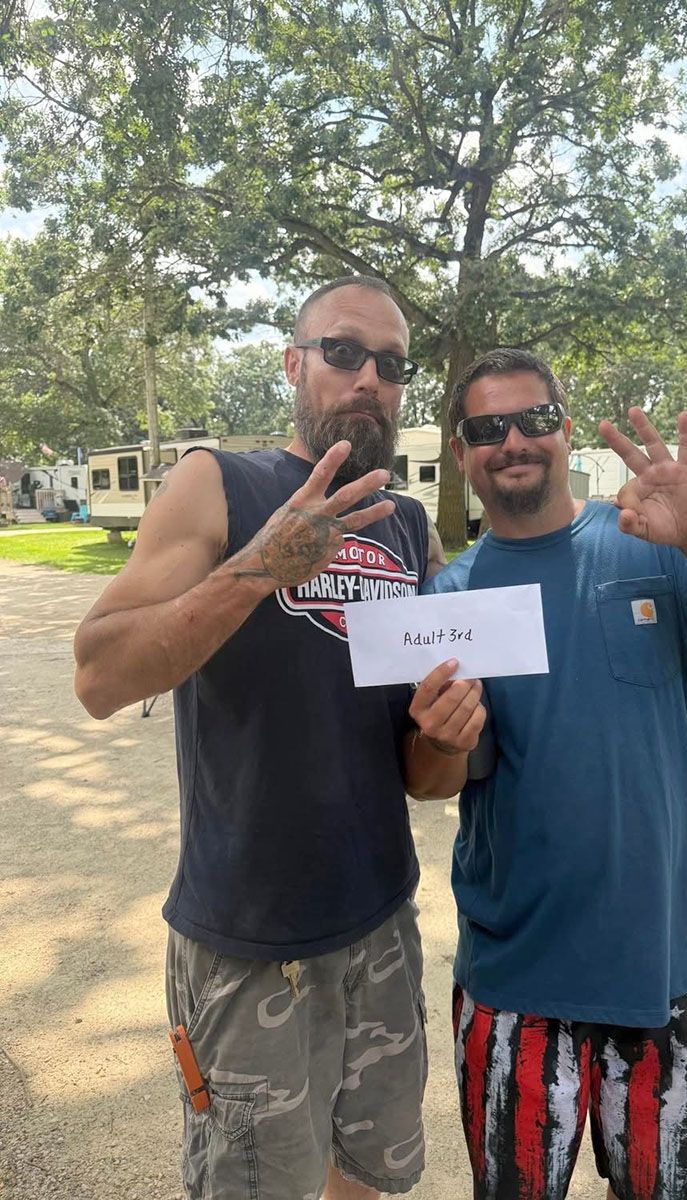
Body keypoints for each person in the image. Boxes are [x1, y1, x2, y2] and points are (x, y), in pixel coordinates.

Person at [405, 348, 687, 1200]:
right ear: (461, 453)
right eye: (487, 428)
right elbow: (432, 781)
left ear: (565, 432)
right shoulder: (449, 598)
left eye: (536, 420)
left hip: (666, 969)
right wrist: (443, 740)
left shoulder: (654, 549)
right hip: (514, 983)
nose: (513, 440)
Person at [74, 276, 445, 1200]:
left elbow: (423, 767)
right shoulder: (218, 482)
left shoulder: (408, 525)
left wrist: (450, 728)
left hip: (381, 920)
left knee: (370, 1174)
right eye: (344, 353)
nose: (369, 379)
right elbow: (98, 675)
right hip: (249, 939)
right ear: (293, 364)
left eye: (391, 365)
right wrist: (256, 570)